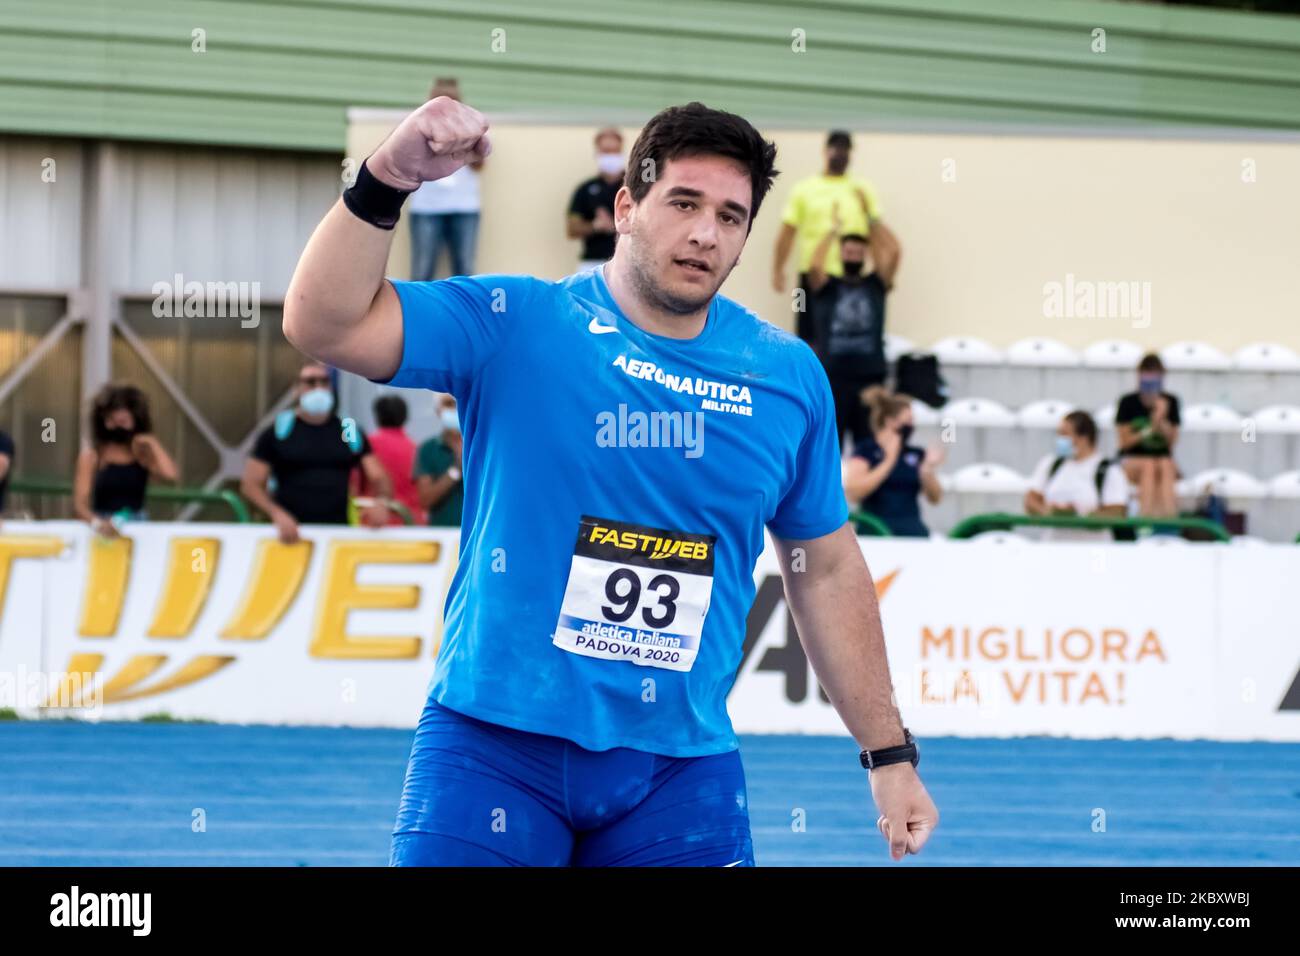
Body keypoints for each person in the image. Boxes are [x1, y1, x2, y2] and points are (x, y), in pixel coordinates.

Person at [286, 96, 937, 867]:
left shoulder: (787, 376)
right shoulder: (514, 320)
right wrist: (387, 178)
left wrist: (888, 756)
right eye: (684, 203)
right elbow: (323, 324)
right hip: (492, 746)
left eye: (731, 217)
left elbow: (823, 568)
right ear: (626, 206)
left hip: (679, 771)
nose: (705, 232)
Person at [241, 362, 393, 543]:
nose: (318, 388)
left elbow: (379, 477)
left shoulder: (348, 430)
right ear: (297, 389)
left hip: (338, 535)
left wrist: (381, 503)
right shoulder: (279, 431)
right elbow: (251, 484)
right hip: (291, 536)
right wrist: (276, 514)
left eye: (324, 382)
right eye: (310, 382)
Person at [772, 130, 900, 344]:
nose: (840, 154)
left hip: (850, 279)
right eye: (835, 148)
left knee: (847, 338)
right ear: (825, 151)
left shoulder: (861, 189)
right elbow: (788, 232)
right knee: (808, 338)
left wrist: (882, 276)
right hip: (812, 276)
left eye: (845, 150)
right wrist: (778, 269)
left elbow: (877, 232)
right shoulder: (804, 189)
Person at [807, 200, 901, 448]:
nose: (853, 256)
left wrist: (871, 220)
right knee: (828, 447)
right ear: (841, 254)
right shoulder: (828, 287)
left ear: (865, 256)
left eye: (859, 253)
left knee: (869, 447)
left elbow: (894, 252)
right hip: (833, 377)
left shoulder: (876, 285)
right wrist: (832, 232)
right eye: (849, 252)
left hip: (869, 378)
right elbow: (814, 265)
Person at [73, 384, 178, 535]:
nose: (116, 427)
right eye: (111, 421)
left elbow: (171, 476)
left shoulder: (141, 454)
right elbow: (79, 504)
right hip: (103, 525)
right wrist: (98, 523)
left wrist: (152, 442)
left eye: (123, 421)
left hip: (138, 527)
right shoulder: (92, 456)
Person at [407, 77, 482, 280]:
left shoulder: (471, 123)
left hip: (464, 207)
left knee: (464, 271)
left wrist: (465, 138)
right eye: (440, 99)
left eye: (451, 99)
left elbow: (480, 164)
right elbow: (408, 160)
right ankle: (418, 312)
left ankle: (463, 313)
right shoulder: (417, 124)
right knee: (422, 270)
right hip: (426, 208)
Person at [843, 387, 943, 537]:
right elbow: (853, 493)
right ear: (891, 422)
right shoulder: (866, 450)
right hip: (875, 528)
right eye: (908, 420)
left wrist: (927, 470)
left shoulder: (915, 453)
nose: (911, 425)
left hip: (911, 529)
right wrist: (889, 460)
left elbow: (935, 498)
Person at [1025, 411, 1129, 541]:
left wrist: (1080, 517)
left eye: (1064, 434)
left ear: (1083, 438)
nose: (1059, 439)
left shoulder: (1108, 469)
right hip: (1052, 549)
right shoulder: (1051, 463)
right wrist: (1050, 513)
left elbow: (1117, 512)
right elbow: (1030, 501)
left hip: (1094, 552)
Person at [1115, 354, 1181, 518]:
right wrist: (1151, 427)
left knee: (1164, 465)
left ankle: (1168, 522)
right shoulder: (1127, 402)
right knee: (1150, 466)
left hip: (1162, 461)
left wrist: (1161, 418)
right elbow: (1124, 443)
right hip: (1132, 460)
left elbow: (1171, 443)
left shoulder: (1170, 402)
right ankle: (1145, 521)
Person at [358, 394, 423, 525]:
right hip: (410, 523)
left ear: (377, 417)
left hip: (374, 523)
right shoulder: (416, 448)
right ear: (405, 417)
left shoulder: (366, 447)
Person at [566, 127, 624, 272]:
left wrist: (616, 225)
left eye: (614, 151)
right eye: (606, 151)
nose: (610, 155)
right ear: (597, 153)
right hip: (592, 263)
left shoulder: (635, 187)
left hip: (625, 260)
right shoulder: (585, 189)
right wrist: (595, 226)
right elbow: (571, 229)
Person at [414, 396, 463, 527]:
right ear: (438, 410)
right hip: (443, 536)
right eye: (449, 404)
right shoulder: (428, 449)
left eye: (459, 402)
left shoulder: (484, 447)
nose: (455, 409)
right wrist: (456, 471)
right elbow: (425, 499)